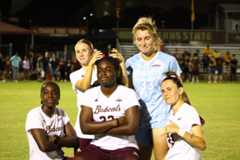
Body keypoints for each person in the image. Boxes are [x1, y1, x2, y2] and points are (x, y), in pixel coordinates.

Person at [126, 17, 182, 160]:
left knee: (161, 158)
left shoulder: (168, 61)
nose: (143, 43)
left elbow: (179, 90)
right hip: (139, 120)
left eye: (147, 38)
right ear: (135, 41)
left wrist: (188, 113)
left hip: (162, 118)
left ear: (154, 38)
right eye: (139, 39)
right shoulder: (130, 62)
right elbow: (127, 91)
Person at [69, 39, 128, 151]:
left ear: (92, 52)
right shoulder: (74, 75)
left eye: (84, 50)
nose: (81, 54)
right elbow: (85, 87)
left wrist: (122, 64)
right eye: (77, 51)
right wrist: (91, 65)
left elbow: (125, 87)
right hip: (85, 130)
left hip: (106, 127)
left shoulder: (104, 70)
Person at [76, 56, 140, 160]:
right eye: (100, 70)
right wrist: (115, 122)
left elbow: (132, 128)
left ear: (117, 72)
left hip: (125, 146)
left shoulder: (128, 93)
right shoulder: (89, 94)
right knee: (80, 158)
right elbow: (84, 128)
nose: (103, 73)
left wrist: (97, 128)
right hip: (98, 145)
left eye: (108, 70)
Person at [25, 81, 78, 160]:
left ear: (59, 97)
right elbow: (44, 146)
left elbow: (75, 140)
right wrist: (65, 141)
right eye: (46, 93)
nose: (50, 96)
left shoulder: (61, 113)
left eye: (54, 93)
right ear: (41, 96)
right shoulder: (34, 115)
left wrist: (57, 140)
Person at [161, 72, 207, 160]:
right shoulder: (170, 114)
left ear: (180, 91)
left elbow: (202, 144)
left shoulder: (189, 111)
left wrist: (179, 130)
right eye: (163, 91)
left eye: (169, 89)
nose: (165, 94)